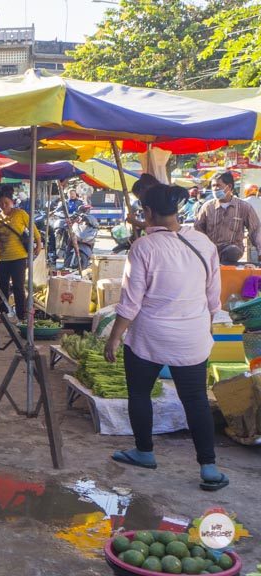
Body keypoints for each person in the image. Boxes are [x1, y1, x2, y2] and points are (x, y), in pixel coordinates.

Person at [104, 184, 227, 491]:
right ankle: (208, 468)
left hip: (150, 338)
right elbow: (213, 299)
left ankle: (144, 452)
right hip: (193, 339)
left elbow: (130, 303)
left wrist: (113, 338)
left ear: (148, 212)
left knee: (140, 393)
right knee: (196, 400)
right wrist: (202, 329)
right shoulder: (204, 242)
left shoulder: (144, 247)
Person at [0, 185, 42, 320]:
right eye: (1, 203)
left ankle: (21, 315)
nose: (4, 205)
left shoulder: (20, 214)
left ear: (12, 202)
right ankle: (3, 313)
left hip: (19, 257)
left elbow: (34, 230)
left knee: (18, 287)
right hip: (1, 258)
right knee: (2, 287)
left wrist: (38, 245)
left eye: (6, 202)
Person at [194, 171, 261, 264]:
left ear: (229, 186)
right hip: (210, 251)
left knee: (232, 251)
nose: (215, 189)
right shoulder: (207, 207)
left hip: (233, 252)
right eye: (213, 186)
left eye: (218, 185)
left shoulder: (244, 207)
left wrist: (260, 250)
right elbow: (198, 229)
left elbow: (256, 230)